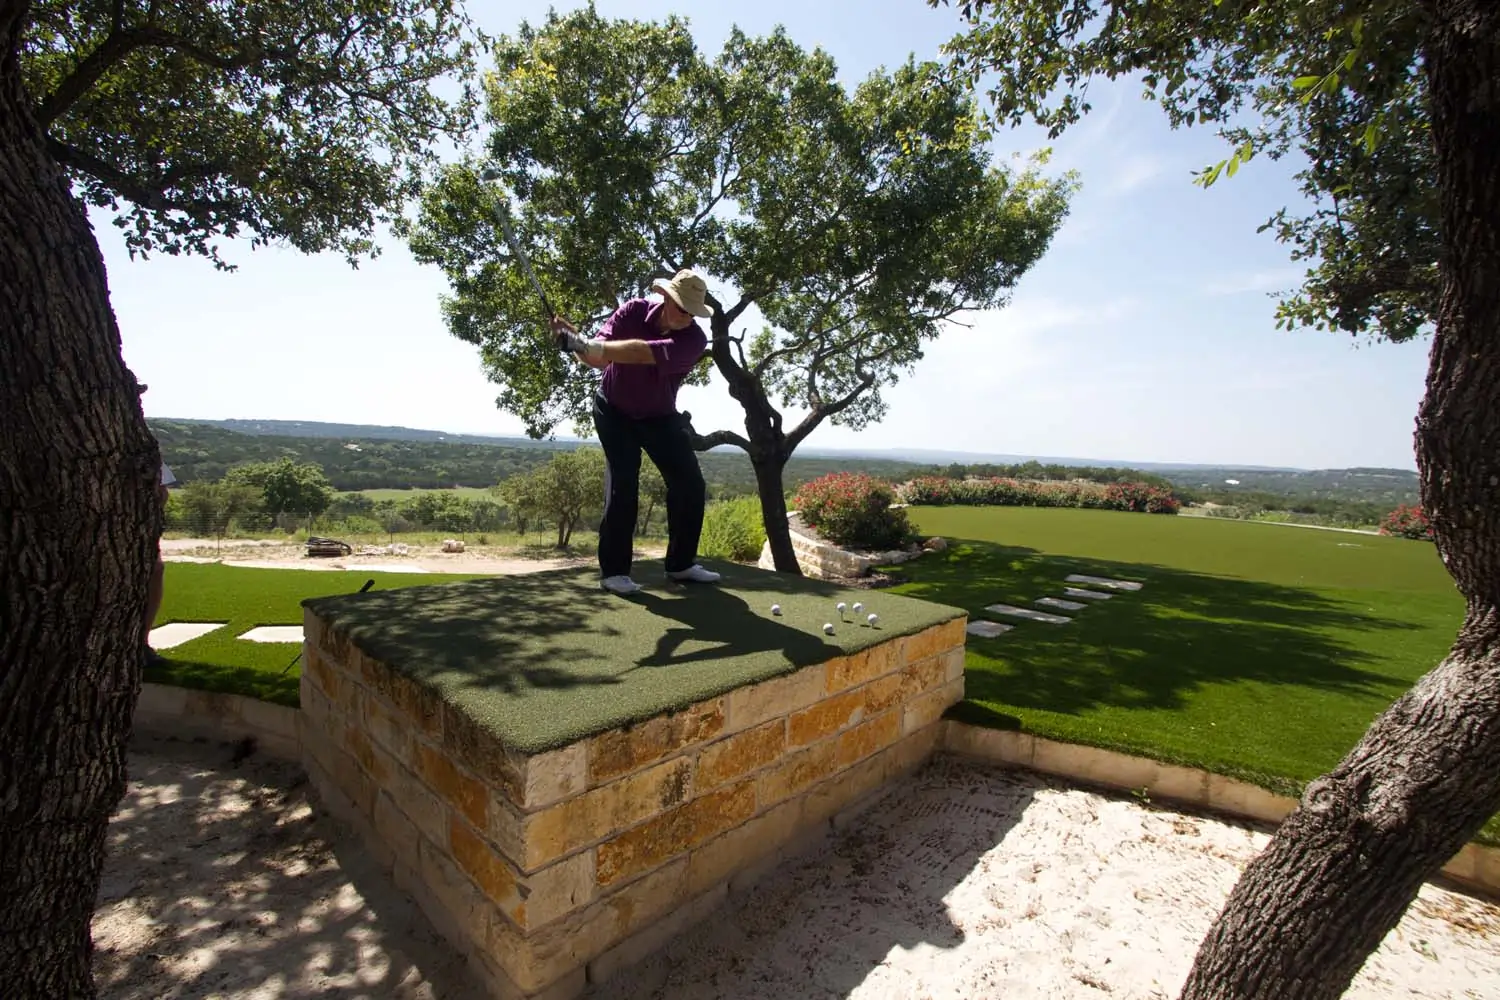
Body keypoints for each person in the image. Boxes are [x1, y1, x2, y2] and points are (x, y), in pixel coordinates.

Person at [552, 269, 721, 595]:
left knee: (689, 484)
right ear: (667, 298)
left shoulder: (693, 339)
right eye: (683, 308)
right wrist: (572, 342)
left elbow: (640, 352)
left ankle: (681, 564)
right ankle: (614, 572)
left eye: (693, 312)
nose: (688, 317)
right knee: (623, 484)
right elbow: (598, 360)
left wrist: (587, 344)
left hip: (659, 416)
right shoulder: (632, 311)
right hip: (613, 411)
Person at [144, 459, 175, 664]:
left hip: (142, 525)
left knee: (156, 570)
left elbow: (163, 492)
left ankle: (141, 643)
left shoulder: (144, 448)